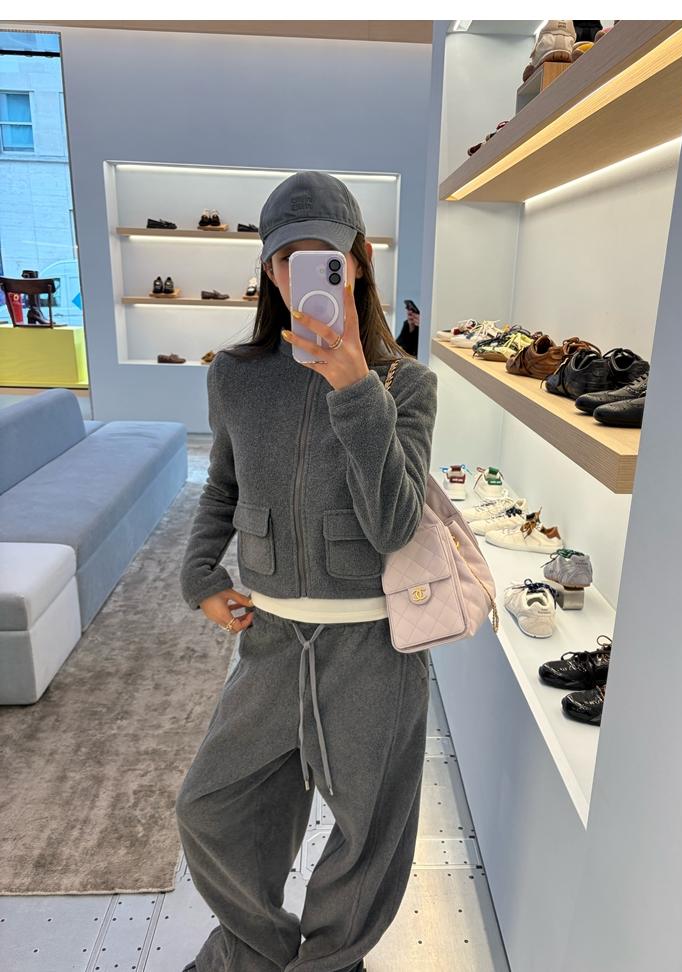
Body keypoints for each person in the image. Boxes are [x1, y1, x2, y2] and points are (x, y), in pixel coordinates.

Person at [176, 170, 438, 972]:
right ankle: (255, 955)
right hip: (272, 641)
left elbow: (395, 525)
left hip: (373, 651)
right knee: (210, 810)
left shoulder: (404, 383)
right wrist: (200, 575)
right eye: (289, 259)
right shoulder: (235, 374)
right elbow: (223, 484)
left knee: (367, 836)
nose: (306, 273)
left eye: (326, 256)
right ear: (268, 271)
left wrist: (356, 389)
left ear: (357, 264)